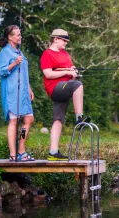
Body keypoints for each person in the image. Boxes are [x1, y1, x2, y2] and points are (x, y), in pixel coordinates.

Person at [40, 29, 91, 161]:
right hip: (54, 88)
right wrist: (67, 73)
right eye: (64, 40)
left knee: (58, 119)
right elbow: (48, 74)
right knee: (78, 85)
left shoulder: (65, 55)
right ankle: (79, 118)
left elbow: (71, 69)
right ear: (55, 39)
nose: (65, 43)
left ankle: (53, 152)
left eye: (66, 41)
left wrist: (73, 71)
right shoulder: (47, 54)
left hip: (65, 87)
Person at [0, 25, 35, 162]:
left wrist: (29, 88)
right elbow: (1, 71)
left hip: (24, 93)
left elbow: (23, 73)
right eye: (17, 35)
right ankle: (13, 155)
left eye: (20, 34)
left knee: (28, 119)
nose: (20, 37)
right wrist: (13, 63)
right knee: (13, 121)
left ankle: (21, 151)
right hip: (12, 92)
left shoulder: (20, 52)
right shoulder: (5, 52)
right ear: (10, 37)